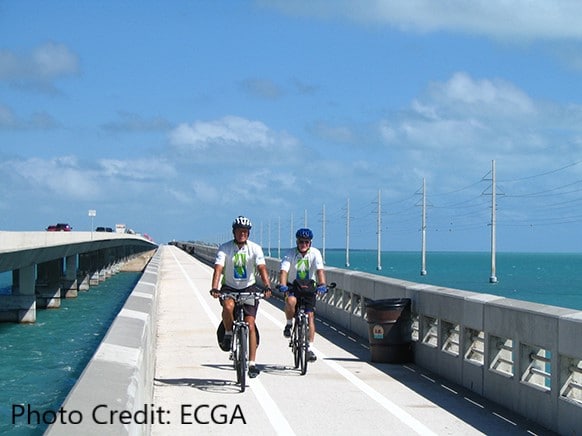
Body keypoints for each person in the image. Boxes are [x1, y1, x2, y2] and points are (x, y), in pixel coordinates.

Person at [210, 215, 272, 378]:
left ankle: (252, 363)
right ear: (234, 232)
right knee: (228, 307)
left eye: (245, 231)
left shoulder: (255, 249)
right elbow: (218, 269)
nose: (242, 234)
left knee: (250, 324)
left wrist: (266, 286)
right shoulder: (225, 248)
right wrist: (215, 288)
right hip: (229, 287)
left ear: (248, 233)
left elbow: (262, 268)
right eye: (239, 231)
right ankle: (229, 333)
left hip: (248, 287)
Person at [279, 228, 327, 362]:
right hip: (293, 286)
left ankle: (310, 348)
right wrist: (283, 285)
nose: (303, 244)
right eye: (301, 241)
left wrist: (322, 285)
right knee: (290, 301)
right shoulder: (290, 254)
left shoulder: (315, 253)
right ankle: (289, 324)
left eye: (306, 242)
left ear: (310, 243)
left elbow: (320, 271)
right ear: (297, 241)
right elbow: (283, 271)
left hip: (309, 287)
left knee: (310, 316)